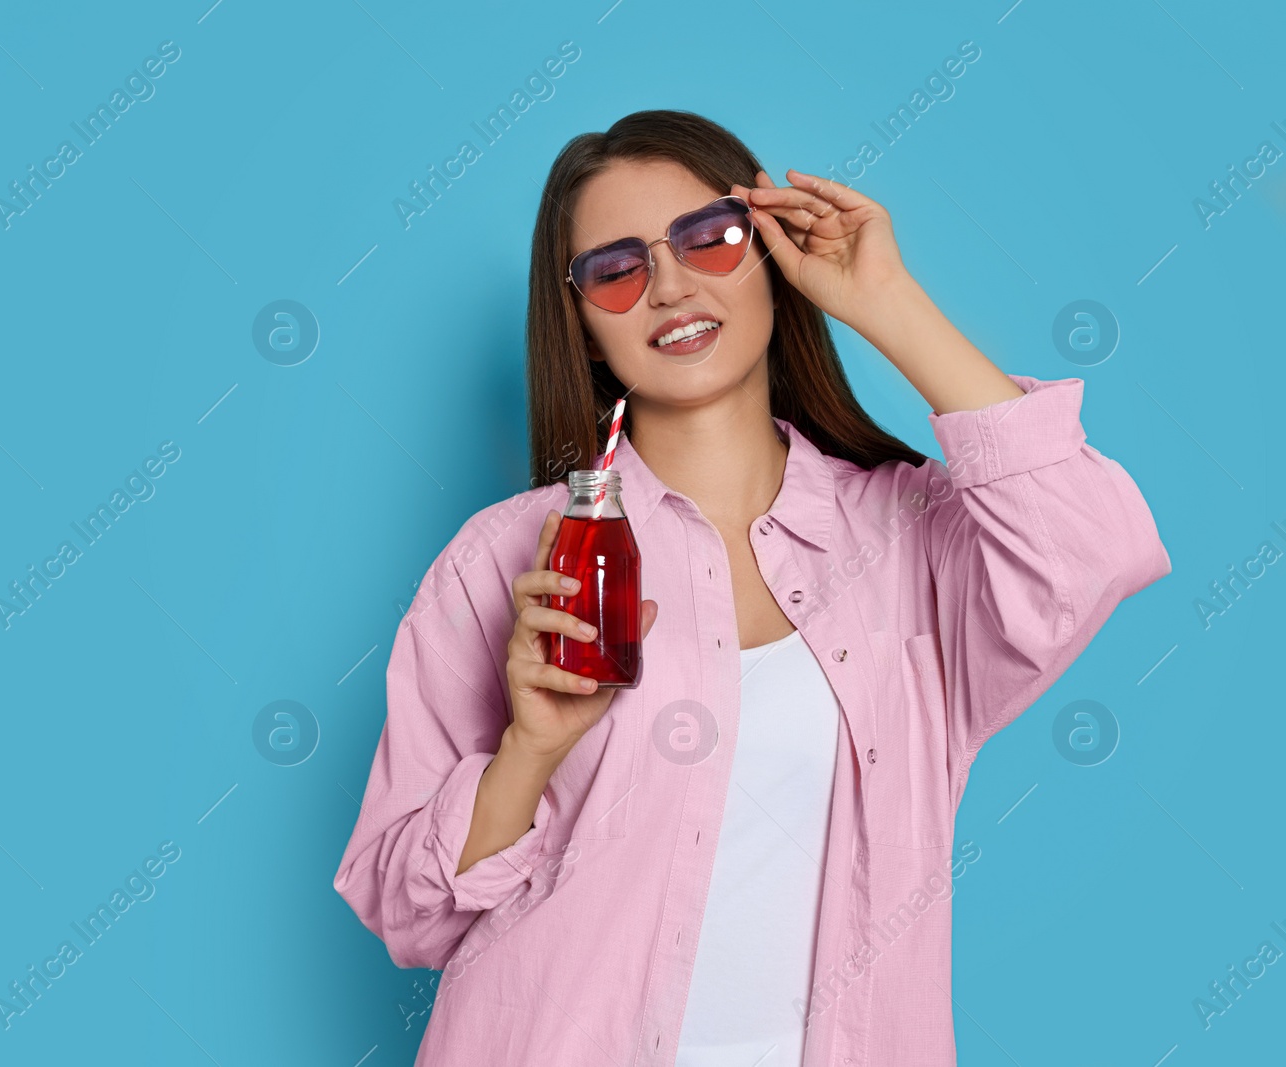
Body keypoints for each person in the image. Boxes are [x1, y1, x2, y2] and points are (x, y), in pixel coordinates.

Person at [332, 109, 1170, 1066]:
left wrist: (888, 301)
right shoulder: (504, 562)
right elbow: (408, 914)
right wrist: (527, 751)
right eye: (617, 269)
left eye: (711, 238)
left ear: (771, 252)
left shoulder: (909, 543)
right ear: (582, 322)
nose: (671, 286)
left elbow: (1096, 549)